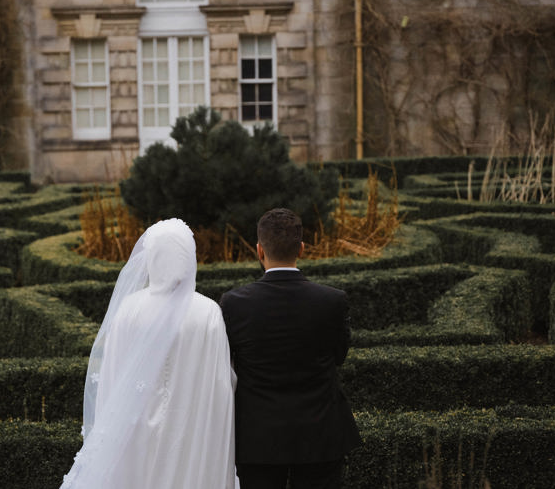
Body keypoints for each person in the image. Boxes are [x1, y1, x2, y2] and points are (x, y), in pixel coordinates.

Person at [61, 218, 237, 489]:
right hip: (190, 427)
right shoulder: (207, 312)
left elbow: (111, 377)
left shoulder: (129, 309)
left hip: (134, 429)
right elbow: (221, 384)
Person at [220, 208, 361, 489]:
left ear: (259, 251)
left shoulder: (234, 303)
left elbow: (228, 365)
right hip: (320, 433)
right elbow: (339, 356)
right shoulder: (332, 300)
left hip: (257, 437)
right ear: (302, 249)